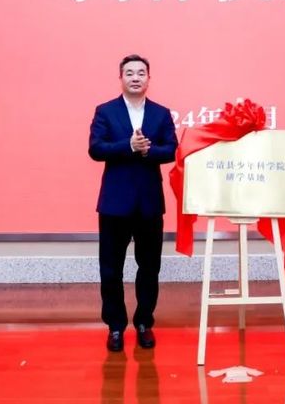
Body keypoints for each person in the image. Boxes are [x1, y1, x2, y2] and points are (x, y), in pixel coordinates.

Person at [89, 54, 178, 352]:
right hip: (114, 204)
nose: (136, 77)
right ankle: (115, 326)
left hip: (149, 204)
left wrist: (146, 150)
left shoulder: (161, 113)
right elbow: (96, 149)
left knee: (149, 268)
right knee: (111, 269)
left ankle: (144, 323)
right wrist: (127, 146)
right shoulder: (105, 111)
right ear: (121, 78)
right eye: (130, 73)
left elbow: (171, 150)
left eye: (141, 72)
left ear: (149, 78)